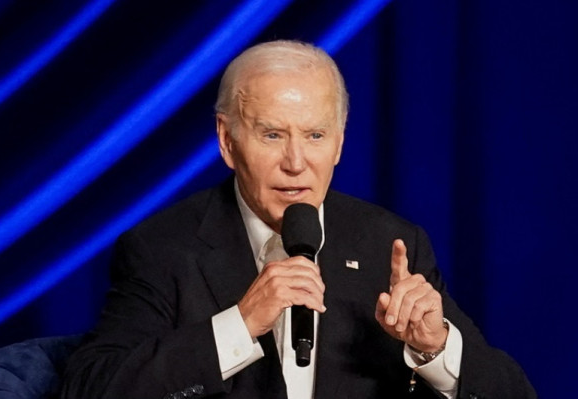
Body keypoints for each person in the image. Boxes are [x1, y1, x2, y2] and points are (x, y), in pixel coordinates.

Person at [61, 40, 535, 399]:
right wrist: (241, 324)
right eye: (271, 135)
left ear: (340, 143)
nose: (296, 162)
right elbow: (91, 386)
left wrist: (435, 348)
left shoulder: (390, 244)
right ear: (227, 141)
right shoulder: (163, 246)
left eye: (314, 135)